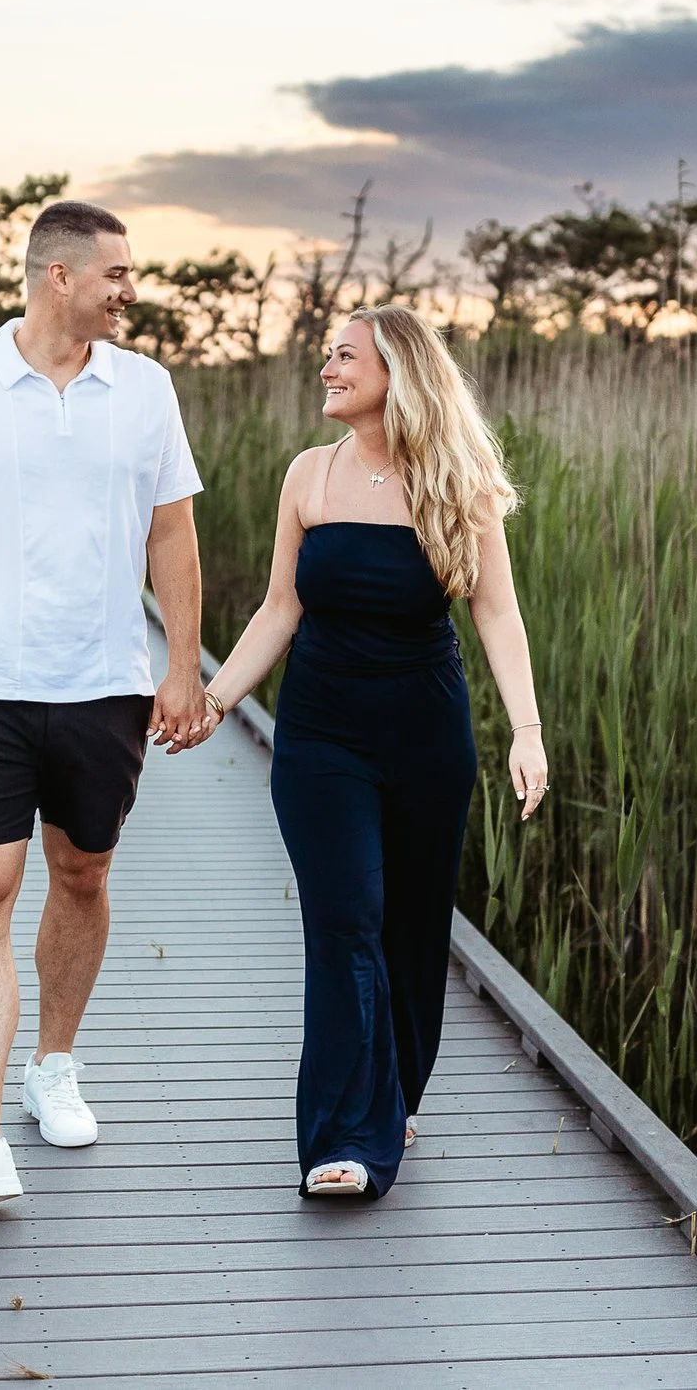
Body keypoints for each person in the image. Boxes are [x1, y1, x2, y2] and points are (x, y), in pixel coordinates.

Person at [0, 199, 211, 1210]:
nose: (130, 288)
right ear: (58, 276)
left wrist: (184, 666)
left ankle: (52, 1062)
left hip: (102, 680)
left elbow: (172, 538)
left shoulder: (145, 390)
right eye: (117, 272)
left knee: (81, 873)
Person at [201, 304, 547, 1198]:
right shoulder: (308, 477)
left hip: (427, 736)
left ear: (398, 372)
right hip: (320, 737)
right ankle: (345, 1137)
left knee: (412, 923)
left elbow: (496, 610)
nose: (327, 367)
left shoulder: (458, 483)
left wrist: (528, 729)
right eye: (328, 356)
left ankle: (397, 1086)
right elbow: (281, 607)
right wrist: (214, 697)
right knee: (346, 917)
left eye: (345, 356)